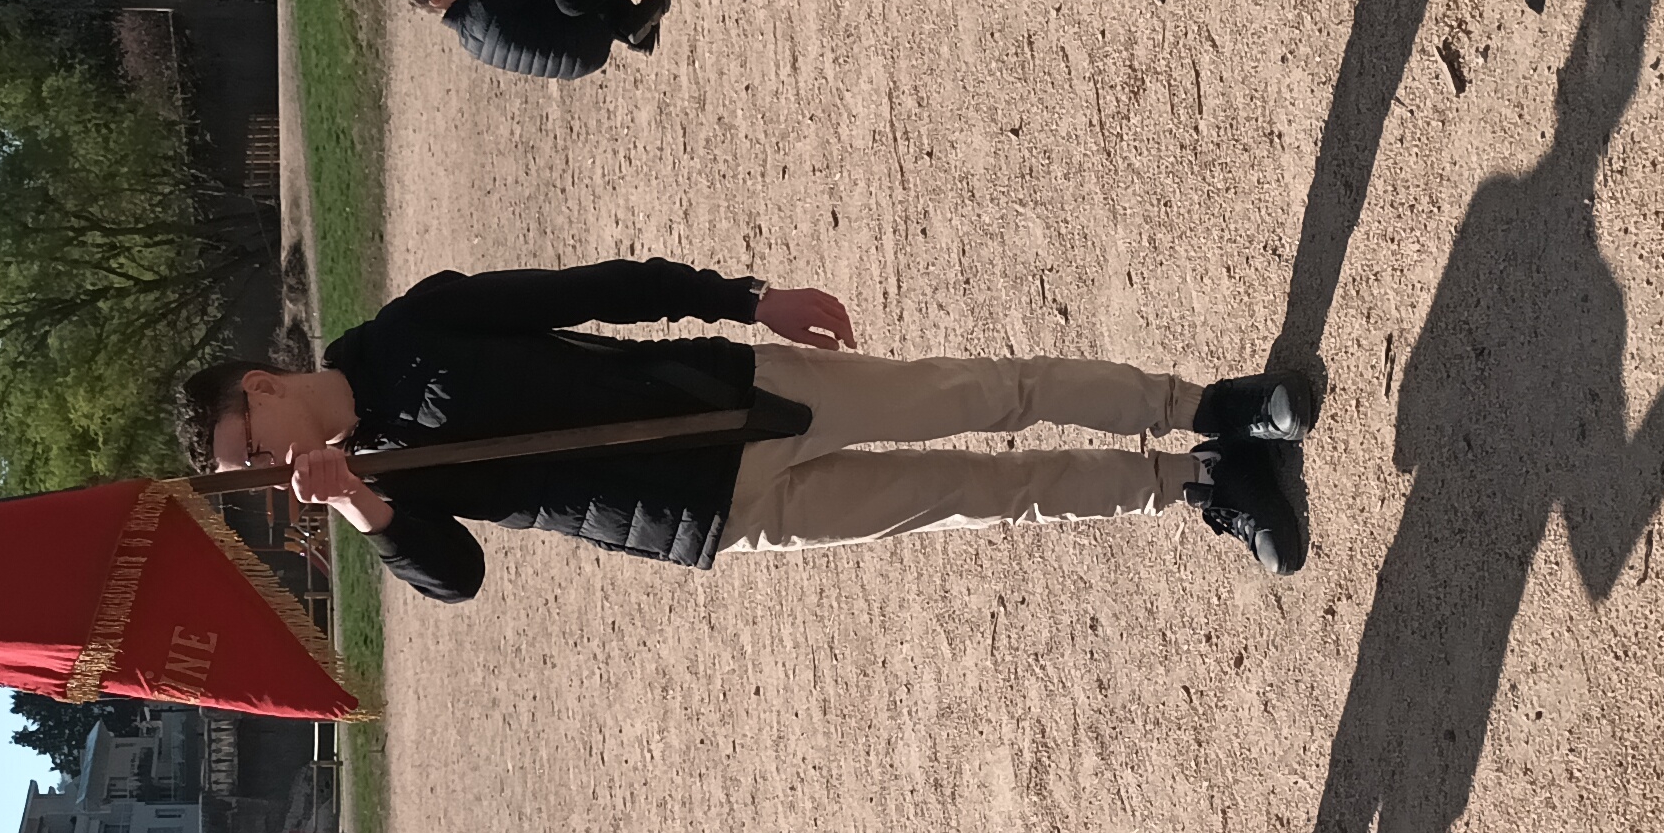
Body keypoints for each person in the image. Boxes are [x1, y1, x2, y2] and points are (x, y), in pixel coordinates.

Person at [172, 258, 1314, 592]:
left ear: (265, 389)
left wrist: (742, 299)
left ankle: (1211, 408)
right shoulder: (379, 489)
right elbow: (456, 576)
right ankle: (1201, 485)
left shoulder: (418, 327)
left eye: (253, 451)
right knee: (984, 495)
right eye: (253, 476)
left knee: (986, 396)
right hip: (703, 517)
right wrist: (368, 504)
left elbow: (587, 292)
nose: (274, 474)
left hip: (731, 394)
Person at [407, 0, 665, 80]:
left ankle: (633, 32)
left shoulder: (469, 43)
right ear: (437, 0)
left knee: (552, 0)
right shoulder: (484, 3)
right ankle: (629, 21)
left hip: (580, 61)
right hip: (584, 37)